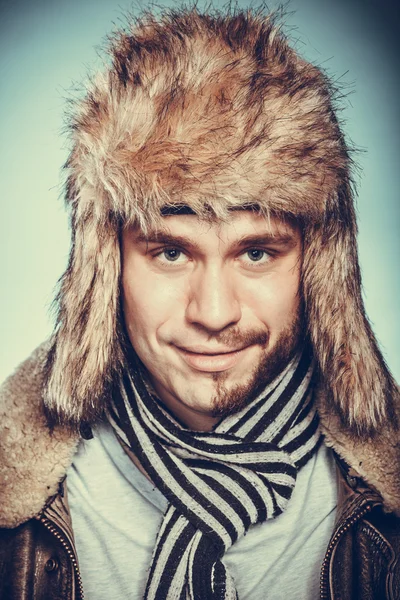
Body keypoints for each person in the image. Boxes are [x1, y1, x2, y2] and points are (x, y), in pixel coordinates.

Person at [0, 5, 399, 600]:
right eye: (170, 253)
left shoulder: (382, 509)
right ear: (105, 267)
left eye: (257, 253)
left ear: (317, 267)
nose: (214, 313)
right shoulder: (18, 509)